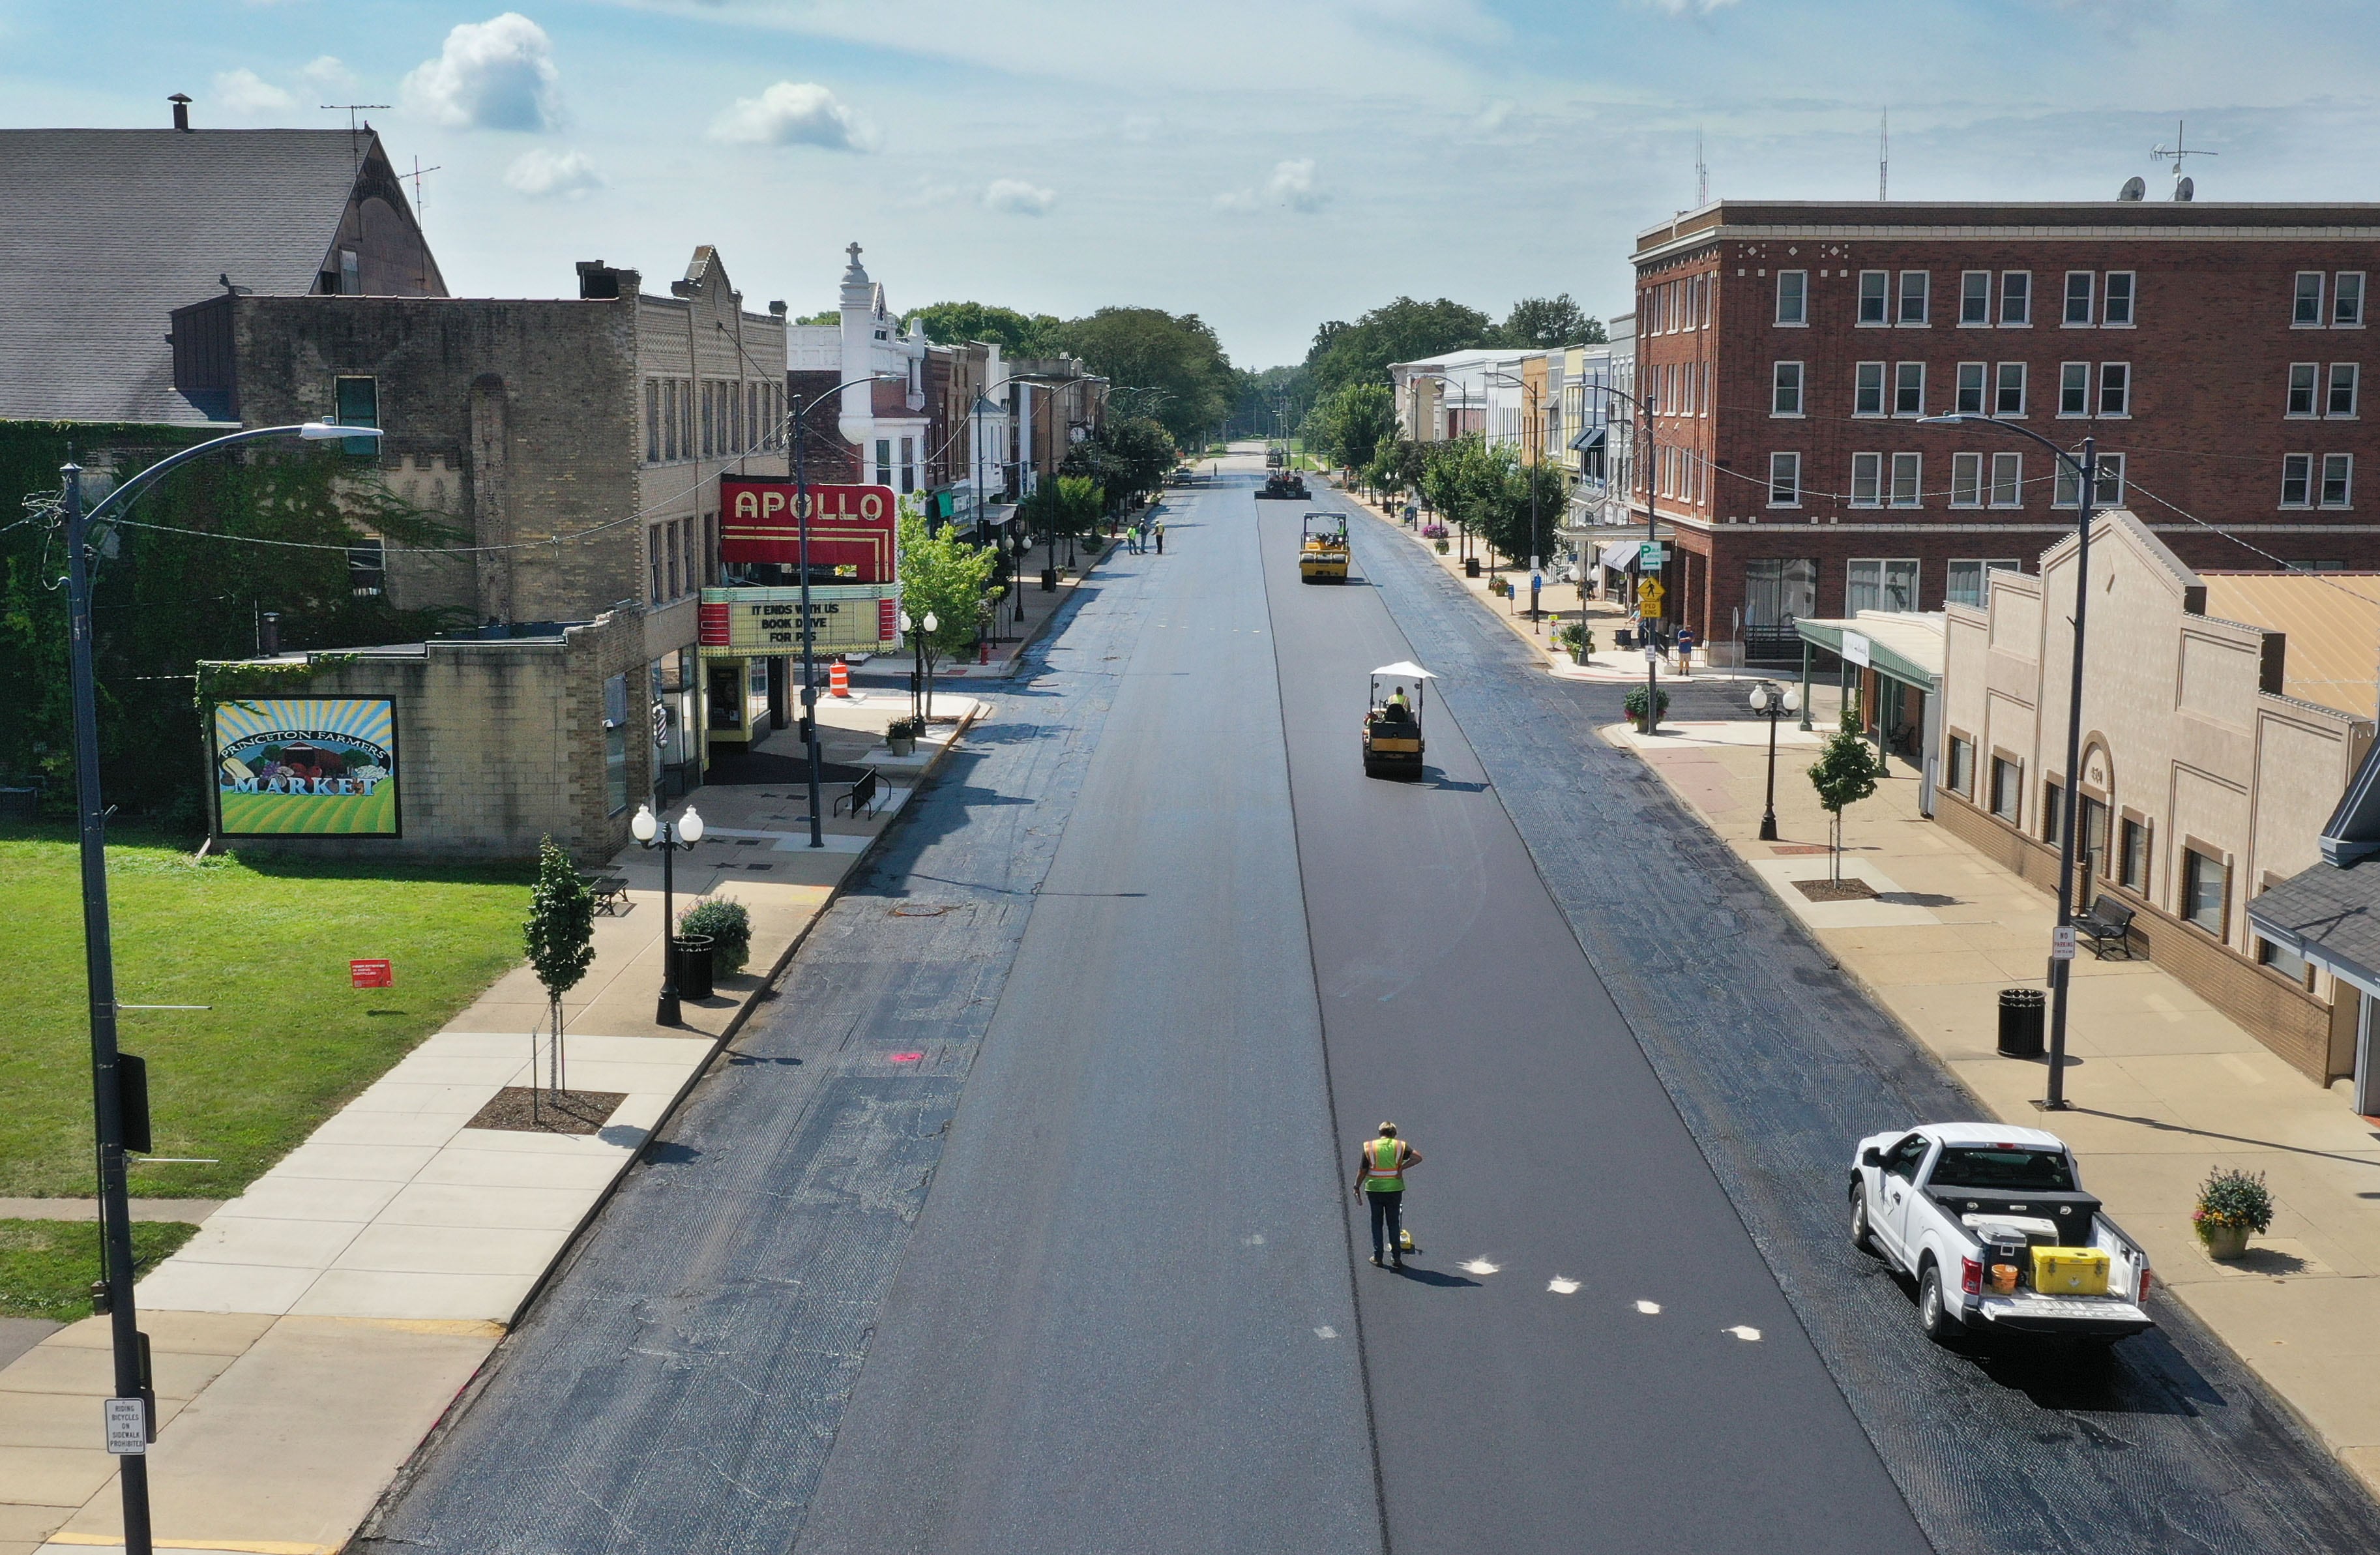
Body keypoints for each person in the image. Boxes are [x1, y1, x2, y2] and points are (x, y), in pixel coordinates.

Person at [1352, 1121, 1422, 1268]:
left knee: (1377, 1222)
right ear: (1394, 1133)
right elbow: (1417, 1158)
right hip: (1394, 1189)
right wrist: (1401, 1168)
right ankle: (1396, 1258)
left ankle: (1378, 1257)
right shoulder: (1400, 1146)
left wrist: (1356, 1186)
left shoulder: (1370, 1147)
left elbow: (1362, 1171)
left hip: (1375, 1189)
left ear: (1380, 1133)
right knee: (1393, 1223)